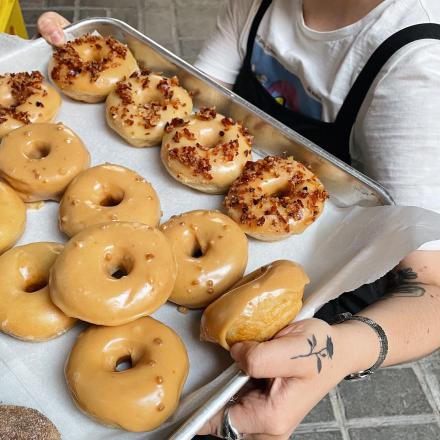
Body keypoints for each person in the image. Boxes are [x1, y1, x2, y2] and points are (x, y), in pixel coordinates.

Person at [36, 1, 440, 438]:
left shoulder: (415, 67)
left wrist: (341, 352)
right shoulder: (257, 5)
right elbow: (200, 104)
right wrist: (93, 66)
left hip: (330, 281)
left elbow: (434, 286)